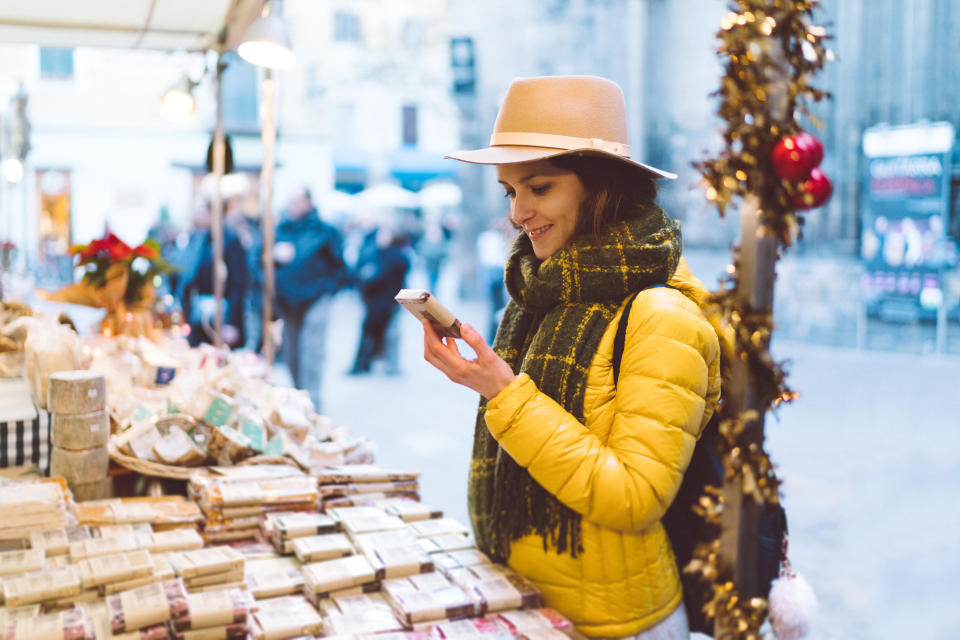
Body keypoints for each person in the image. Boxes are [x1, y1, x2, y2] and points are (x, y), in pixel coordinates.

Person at [420, 76, 725, 639]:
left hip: (616, 622)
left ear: (601, 187)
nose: (518, 213)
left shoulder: (663, 315)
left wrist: (504, 394)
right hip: (532, 601)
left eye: (538, 187)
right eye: (510, 191)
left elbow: (636, 497)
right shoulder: (544, 291)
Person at [274, 185, 348, 412]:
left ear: (308, 203)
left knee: (312, 351)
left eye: (297, 201)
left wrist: (327, 289)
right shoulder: (281, 229)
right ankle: (299, 396)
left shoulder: (324, 231)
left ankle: (313, 403)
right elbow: (261, 258)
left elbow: (339, 266)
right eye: (291, 201)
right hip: (287, 300)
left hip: (316, 297)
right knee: (291, 352)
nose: (293, 206)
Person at [173, 198, 247, 348]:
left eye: (201, 211)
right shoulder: (197, 238)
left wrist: (232, 322)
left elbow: (238, 285)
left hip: (221, 313)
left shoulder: (230, 240)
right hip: (197, 312)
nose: (197, 215)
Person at [348, 224, 412, 374]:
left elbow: (382, 275)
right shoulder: (373, 252)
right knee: (370, 332)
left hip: (389, 301)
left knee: (389, 333)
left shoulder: (397, 256)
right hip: (374, 301)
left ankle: (387, 365)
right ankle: (364, 363)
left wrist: (370, 276)